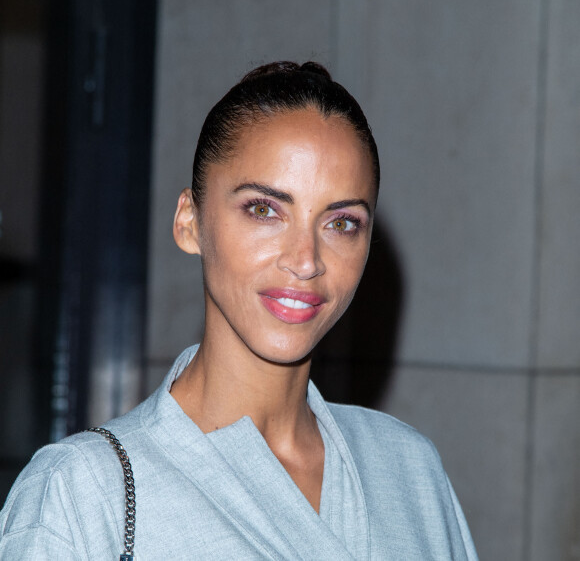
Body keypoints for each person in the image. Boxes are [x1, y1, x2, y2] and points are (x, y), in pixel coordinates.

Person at [0, 61, 478, 560]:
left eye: (342, 223)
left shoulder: (410, 471)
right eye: (264, 209)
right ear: (190, 222)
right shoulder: (81, 496)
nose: (305, 260)